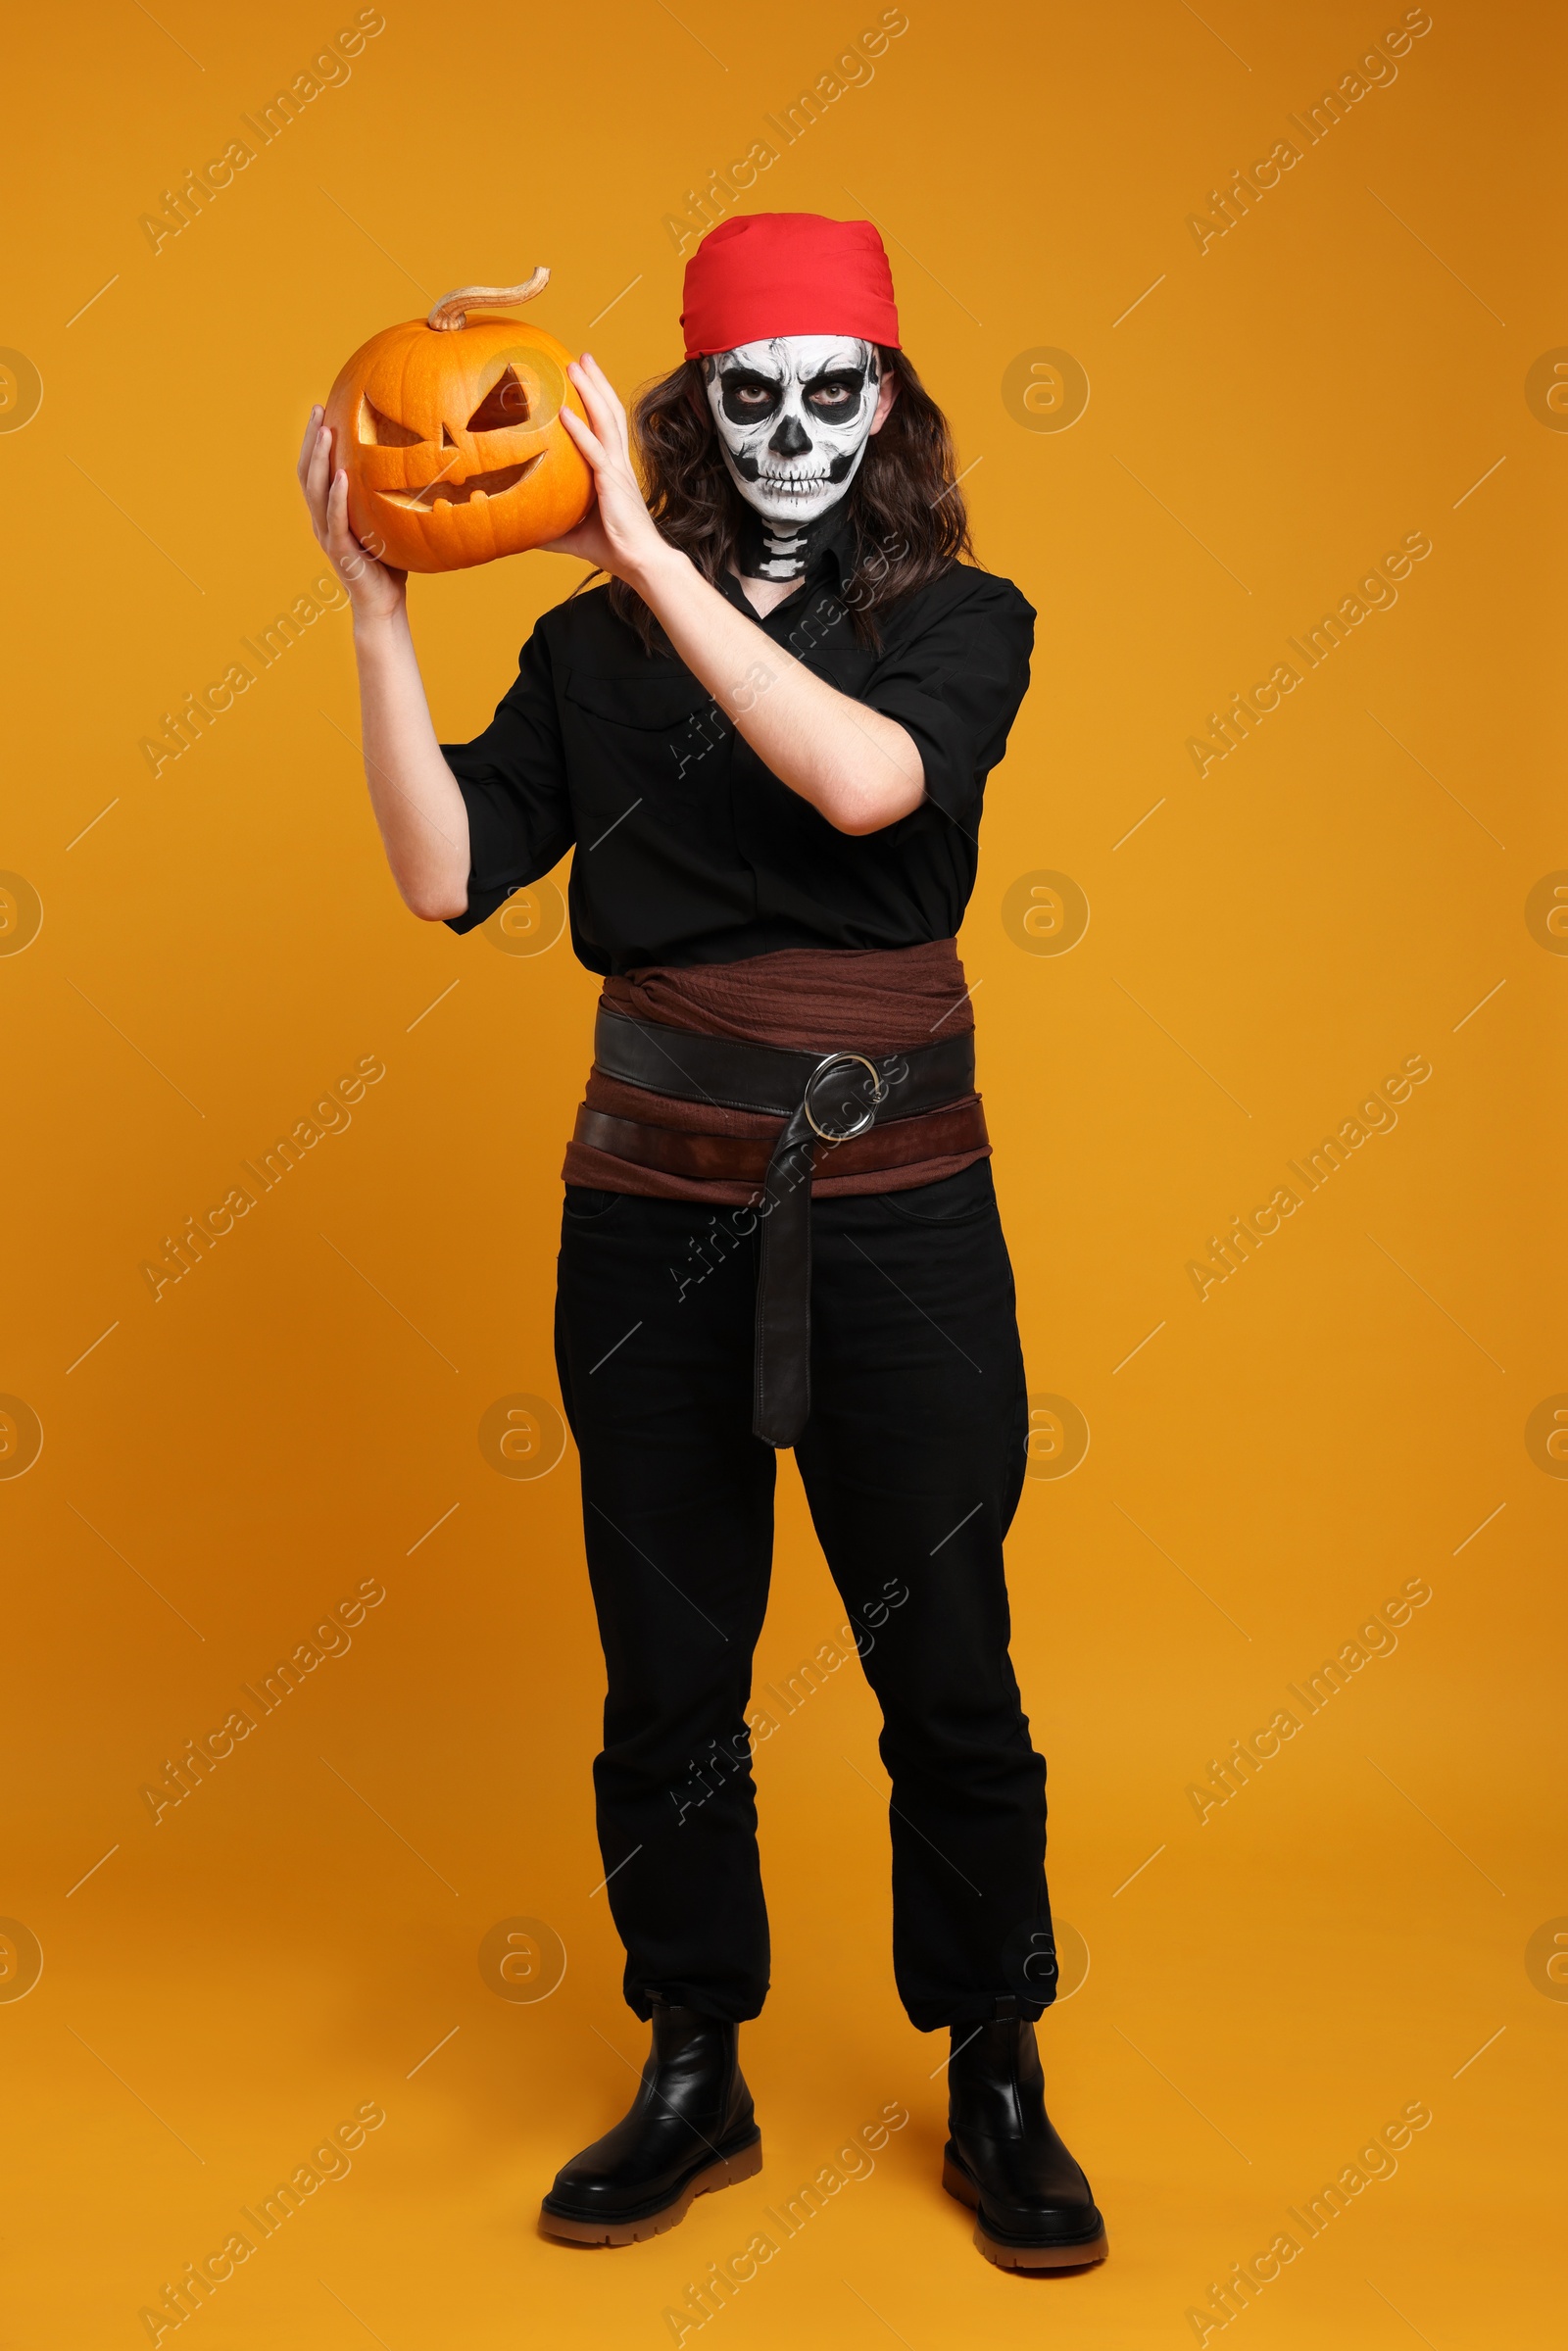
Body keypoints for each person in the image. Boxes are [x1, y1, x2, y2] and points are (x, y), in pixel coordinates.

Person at [297, 211, 1106, 2274]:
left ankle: (994, 2063)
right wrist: (378, 619)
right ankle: (692, 2062)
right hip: (644, 1208)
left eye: (835, 389)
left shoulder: (959, 616)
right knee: (668, 1672)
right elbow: (441, 873)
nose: (793, 430)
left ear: (889, 405)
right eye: (748, 394)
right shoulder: (582, 657)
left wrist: (640, 560)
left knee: (946, 1662)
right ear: (690, 406)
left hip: (902, 1217)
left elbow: (860, 787)